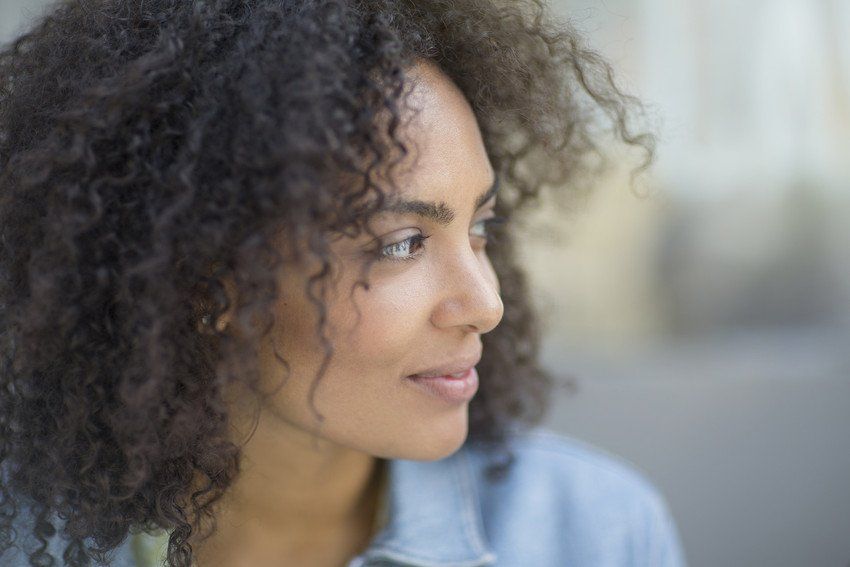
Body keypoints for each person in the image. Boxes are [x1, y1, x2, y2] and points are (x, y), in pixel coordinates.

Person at [0, 1, 684, 566]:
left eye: (482, 229)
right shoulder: (25, 539)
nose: (486, 303)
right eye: (402, 243)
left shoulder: (596, 534)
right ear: (206, 281)